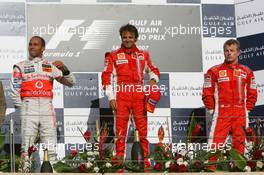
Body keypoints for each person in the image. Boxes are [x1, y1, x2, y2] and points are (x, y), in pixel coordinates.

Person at [10, 36, 76, 168]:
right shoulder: (20, 66)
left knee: (50, 144)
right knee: (26, 146)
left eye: (35, 44)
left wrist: (64, 68)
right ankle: (25, 171)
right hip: (29, 106)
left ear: (43, 48)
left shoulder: (50, 67)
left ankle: (52, 170)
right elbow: (14, 90)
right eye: (30, 44)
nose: (32, 47)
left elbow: (71, 82)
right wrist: (22, 108)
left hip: (47, 106)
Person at [101, 24, 160, 169]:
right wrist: (111, 97)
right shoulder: (113, 55)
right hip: (122, 95)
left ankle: (144, 162)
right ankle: (119, 163)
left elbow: (154, 70)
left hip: (139, 96)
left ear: (136, 39)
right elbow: (106, 77)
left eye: (130, 37)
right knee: (120, 131)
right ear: (121, 38)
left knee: (143, 130)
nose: (127, 40)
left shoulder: (143, 55)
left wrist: (152, 81)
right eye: (125, 37)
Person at [202, 39, 258, 170]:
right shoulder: (213, 71)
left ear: (238, 52)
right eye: (226, 51)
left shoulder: (247, 71)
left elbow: (253, 92)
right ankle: (210, 170)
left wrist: (246, 109)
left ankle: (237, 169)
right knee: (215, 144)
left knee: (240, 145)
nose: (229, 53)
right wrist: (212, 110)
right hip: (222, 113)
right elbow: (206, 93)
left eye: (232, 51)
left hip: (240, 114)